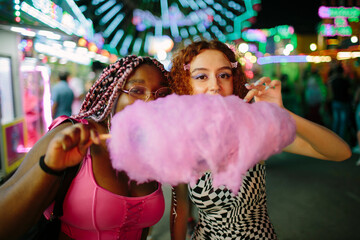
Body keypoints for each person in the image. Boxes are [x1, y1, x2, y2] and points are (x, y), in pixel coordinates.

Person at [169, 40, 351, 239]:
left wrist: (283, 114)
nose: (215, 86)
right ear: (185, 83)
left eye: (224, 75)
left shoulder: (251, 128)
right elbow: (180, 209)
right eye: (201, 76)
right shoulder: (182, 136)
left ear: (234, 80)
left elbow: (341, 152)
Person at [0, 56, 172, 240]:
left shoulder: (150, 149)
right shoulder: (72, 134)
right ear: (112, 93)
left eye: (161, 93)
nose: (151, 102)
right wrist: (49, 167)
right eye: (137, 90)